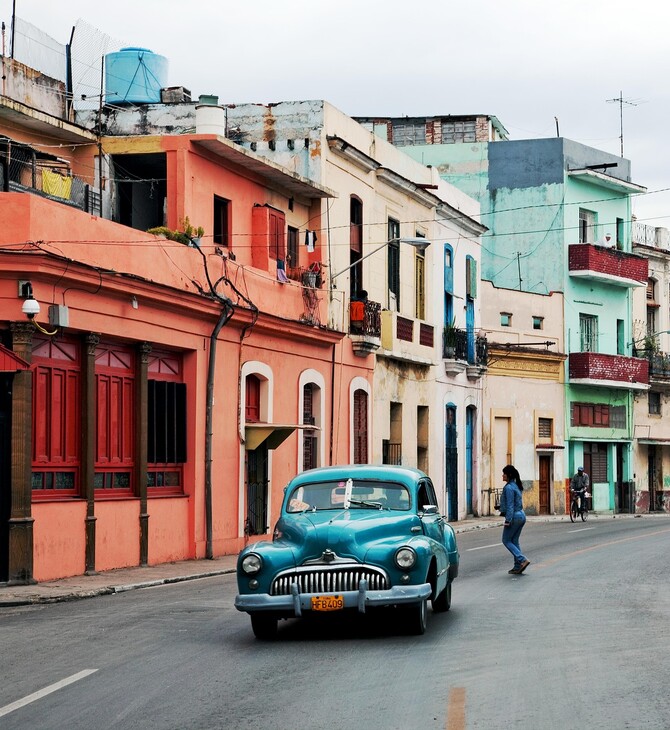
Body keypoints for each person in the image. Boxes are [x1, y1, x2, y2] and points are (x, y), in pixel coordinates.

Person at [499, 464, 530, 575]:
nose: (502, 475)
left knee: (506, 540)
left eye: (504, 473)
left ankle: (522, 560)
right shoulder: (516, 485)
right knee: (514, 541)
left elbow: (510, 505)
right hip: (521, 515)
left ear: (509, 475)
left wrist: (507, 520)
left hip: (514, 517)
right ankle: (518, 566)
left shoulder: (508, 487)